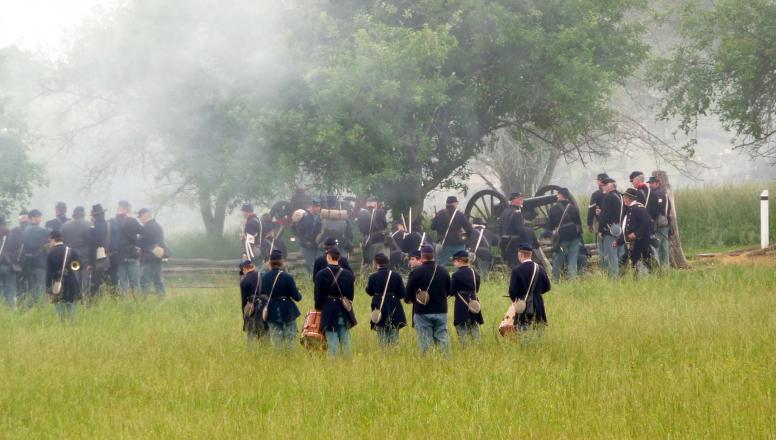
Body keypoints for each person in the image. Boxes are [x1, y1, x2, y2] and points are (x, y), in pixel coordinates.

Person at [404, 245, 452, 355]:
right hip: (441, 310)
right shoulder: (444, 271)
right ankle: (447, 361)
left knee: (425, 340)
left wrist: (411, 300)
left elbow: (408, 293)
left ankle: (428, 361)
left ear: (421, 256)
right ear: (433, 256)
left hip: (422, 311)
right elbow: (450, 291)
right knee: (443, 338)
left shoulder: (415, 272)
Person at [314, 247, 356, 357]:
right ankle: (348, 363)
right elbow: (351, 296)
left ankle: (334, 364)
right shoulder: (349, 275)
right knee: (345, 340)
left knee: (332, 340)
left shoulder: (320, 274)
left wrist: (318, 307)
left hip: (329, 309)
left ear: (328, 257)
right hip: (344, 308)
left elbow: (318, 296)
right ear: (339, 258)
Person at [262, 250, 302, 350]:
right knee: (290, 339)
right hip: (287, 309)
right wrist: (298, 292)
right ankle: (291, 360)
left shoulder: (264, 277)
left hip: (272, 310)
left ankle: (279, 360)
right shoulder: (287, 277)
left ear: (270, 262)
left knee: (276, 340)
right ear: (281, 261)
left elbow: (263, 293)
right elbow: (297, 297)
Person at [365, 253, 407, 347]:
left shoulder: (373, 277)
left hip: (379, 304)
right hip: (393, 304)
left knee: (381, 329)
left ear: (376, 263)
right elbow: (402, 294)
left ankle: (384, 351)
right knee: (394, 329)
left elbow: (370, 292)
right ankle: (394, 350)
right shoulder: (396, 276)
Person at [508, 244, 551, 331]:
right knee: (539, 328)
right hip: (538, 303)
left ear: (521, 255)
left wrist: (516, 299)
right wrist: (536, 293)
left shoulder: (516, 270)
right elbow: (547, 287)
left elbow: (512, 291)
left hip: (522, 303)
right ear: (530, 255)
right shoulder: (540, 268)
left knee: (523, 328)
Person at [544, 188, 583, 281]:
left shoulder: (554, 209)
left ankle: (555, 280)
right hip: (575, 237)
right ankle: (572, 280)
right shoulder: (574, 208)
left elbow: (550, 226)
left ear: (562, 195)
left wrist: (547, 234)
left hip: (562, 238)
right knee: (573, 259)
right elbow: (579, 224)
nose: (557, 196)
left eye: (558, 194)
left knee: (558, 259)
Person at [617, 188, 654, 276]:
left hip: (639, 242)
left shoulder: (638, 208)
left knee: (641, 261)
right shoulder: (630, 208)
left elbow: (647, 222)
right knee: (630, 261)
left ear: (629, 198)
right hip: (632, 243)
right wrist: (619, 241)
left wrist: (636, 234)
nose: (623, 199)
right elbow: (626, 228)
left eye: (625, 197)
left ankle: (649, 277)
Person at [110, 200, 144, 295]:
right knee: (135, 282)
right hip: (132, 254)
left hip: (118, 256)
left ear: (118, 209)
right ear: (126, 209)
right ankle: (138, 304)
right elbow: (143, 232)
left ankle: (124, 303)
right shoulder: (132, 221)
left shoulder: (111, 221)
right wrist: (139, 244)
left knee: (122, 283)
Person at [451, 250, 483, 347]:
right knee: (473, 325)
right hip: (474, 302)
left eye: (455, 260)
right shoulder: (475, 273)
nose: (453, 262)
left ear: (460, 261)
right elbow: (476, 289)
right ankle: (478, 346)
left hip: (461, 304)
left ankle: (465, 347)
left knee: (461, 326)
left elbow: (451, 291)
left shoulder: (456, 275)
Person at [46, 231, 81, 320]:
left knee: (59, 310)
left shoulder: (51, 253)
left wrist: (49, 288)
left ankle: (61, 327)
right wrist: (70, 268)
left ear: (54, 240)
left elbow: (49, 273)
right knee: (72, 308)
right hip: (71, 282)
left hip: (57, 283)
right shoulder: (71, 251)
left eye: (50, 241)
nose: (50, 243)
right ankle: (72, 328)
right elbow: (79, 266)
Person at [431, 196, 473, 268]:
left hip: (444, 243)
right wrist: (465, 237)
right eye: (457, 203)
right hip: (458, 243)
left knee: (439, 266)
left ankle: (439, 278)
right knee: (462, 266)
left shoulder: (440, 213)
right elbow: (469, 228)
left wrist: (434, 218)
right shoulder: (459, 214)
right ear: (455, 203)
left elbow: (433, 227)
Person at [597, 178, 625, 277]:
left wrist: (601, 231)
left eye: (604, 185)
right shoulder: (621, 196)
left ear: (610, 185)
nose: (603, 187)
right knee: (620, 255)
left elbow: (605, 215)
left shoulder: (609, 197)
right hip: (621, 229)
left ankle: (614, 279)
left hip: (610, 230)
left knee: (612, 256)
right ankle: (622, 276)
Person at [21, 209, 50, 304]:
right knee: (41, 287)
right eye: (39, 217)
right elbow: (49, 232)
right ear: (34, 217)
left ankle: (33, 308)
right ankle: (41, 309)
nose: (40, 219)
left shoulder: (26, 229)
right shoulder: (34, 229)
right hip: (39, 262)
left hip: (29, 262)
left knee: (32, 288)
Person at [61, 206, 91, 293]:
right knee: (85, 281)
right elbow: (92, 242)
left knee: (74, 279)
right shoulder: (88, 224)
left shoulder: (65, 225)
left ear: (73, 214)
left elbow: (62, 242)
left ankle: (75, 299)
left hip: (71, 257)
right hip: (85, 258)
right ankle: (84, 299)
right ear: (83, 214)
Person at [138, 208, 166, 296]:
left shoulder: (146, 227)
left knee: (145, 281)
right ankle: (162, 299)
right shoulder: (158, 226)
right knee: (158, 281)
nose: (140, 220)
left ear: (144, 216)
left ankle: (142, 301)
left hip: (148, 258)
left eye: (140, 217)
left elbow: (141, 242)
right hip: (158, 257)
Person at [239, 259, 268, 342]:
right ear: (252, 267)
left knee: (251, 334)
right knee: (265, 332)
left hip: (252, 308)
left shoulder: (244, 281)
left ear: (244, 269)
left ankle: (252, 352)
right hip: (265, 306)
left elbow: (244, 301)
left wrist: (244, 316)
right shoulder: (263, 275)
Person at [291, 198, 321, 274]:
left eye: (318, 206)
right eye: (315, 206)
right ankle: (313, 282)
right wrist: (306, 240)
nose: (317, 208)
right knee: (311, 265)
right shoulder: (304, 217)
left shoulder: (319, 217)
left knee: (318, 265)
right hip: (307, 245)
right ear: (310, 206)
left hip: (317, 244)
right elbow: (298, 231)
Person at [647, 176, 671, 268]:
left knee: (655, 245)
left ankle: (657, 268)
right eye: (650, 183)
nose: (650, 185)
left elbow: (655, 210)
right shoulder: (664, 193)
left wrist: (651, 219)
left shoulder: (655, 194)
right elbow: (668, 208)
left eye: (652, 183)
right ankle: (665, 267)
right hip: (665, 222)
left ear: (657, 183)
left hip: (658, 223)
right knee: (664, 247)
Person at [87, 204, 111, 298]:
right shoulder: (108, 225)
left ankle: (93, 301)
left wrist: (90, 263)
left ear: (94, 216)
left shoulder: (94, 228)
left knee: (95, 282)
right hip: (107, 255)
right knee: (104, 279)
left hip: (97, 258)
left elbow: (92, 246)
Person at [357, 196, 389, 267]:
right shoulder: (381, 212)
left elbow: (361, 228)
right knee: (382, 263)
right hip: (381, 240)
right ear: (376, 204)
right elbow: (385, 225)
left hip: (369, 241)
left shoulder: (362, 213)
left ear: (367, 204)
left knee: (369, 263)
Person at [499, 192, 527, 268]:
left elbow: (500, 229)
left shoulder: (504, 212)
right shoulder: (517, 213)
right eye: (520, 199)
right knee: (517, 267)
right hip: (514, 245)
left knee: (510, 267)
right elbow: (520, 231)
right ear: (514, 200)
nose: (522, 201)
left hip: (505, 244)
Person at [588, 173, 610, 271]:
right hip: (613, 224)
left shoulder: (596, 194)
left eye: (598, 180)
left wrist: (589, 224)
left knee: (601, 248)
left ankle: (604, 269)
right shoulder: (613, 193)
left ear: (601, 181)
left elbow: (591, 210)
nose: (597, 182)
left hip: (599, 222)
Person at [8, 210, 28, 297]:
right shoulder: (14, 231)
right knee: (20, 284)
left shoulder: (14, 230)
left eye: (25, 217)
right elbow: (9, 247)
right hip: (18, 261)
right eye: (22, 218)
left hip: (27, 261)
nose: (24, 220)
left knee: (24, 283)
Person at [0, 216, 17, 306]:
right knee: (11, 289)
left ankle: (2, 310)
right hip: (9, 265)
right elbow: (16, 249)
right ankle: (12, 310)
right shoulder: (11, 233)